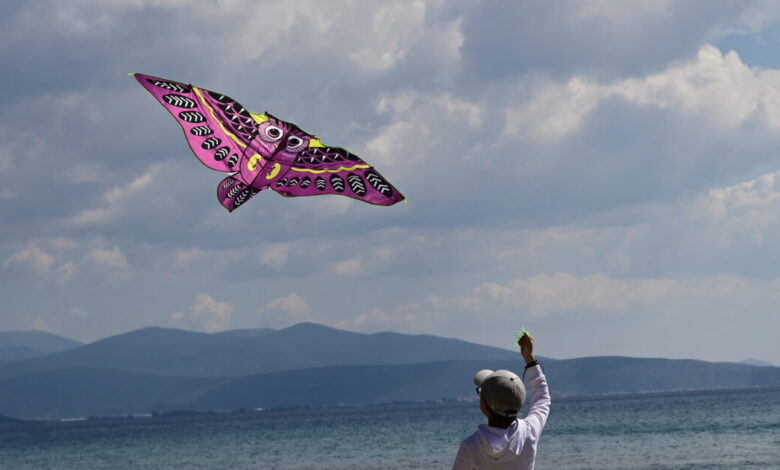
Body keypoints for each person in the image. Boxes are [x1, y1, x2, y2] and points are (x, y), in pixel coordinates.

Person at [451, 333, 551, 470]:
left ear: (486, 406)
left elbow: (542, 397)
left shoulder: (471, 447)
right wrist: (529, 357)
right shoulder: (529, 432)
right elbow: (542, 398)